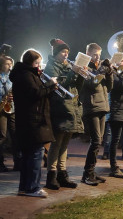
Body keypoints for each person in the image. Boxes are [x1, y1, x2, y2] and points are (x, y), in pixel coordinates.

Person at [10, 49, 57, 198]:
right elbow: (35, 94)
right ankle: (33, 187)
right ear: (32, 62)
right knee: (35, 155)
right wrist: (49, 85)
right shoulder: (26, 75)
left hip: (30, 120)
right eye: (38, 62)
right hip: (33, 121)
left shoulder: (25, 74)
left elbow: (39, 93)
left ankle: (24, 187)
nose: (40, 65)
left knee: (28, 156)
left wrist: (48, 88)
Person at [43, 38, 84, 190]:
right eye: (63, 52)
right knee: (56, 144)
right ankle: (51, 175)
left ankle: (62, 173)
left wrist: (80, 74)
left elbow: (77, 87)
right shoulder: (51, 67)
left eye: (67, 52)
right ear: (56, 54)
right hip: (60, 108)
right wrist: (72, 73)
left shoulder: (69, 66)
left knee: (65, 144)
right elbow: (59, 86)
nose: (66, 55)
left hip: (72, 107)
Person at [79, 43, 112, 186]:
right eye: (95, 54)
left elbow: (109, 87)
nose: (97, 57)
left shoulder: (99, 68)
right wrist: (101, 70)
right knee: (96, 141)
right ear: (88, 53)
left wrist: (109, 72)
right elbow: (92, 83)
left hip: (102, 106)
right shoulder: (84, 66)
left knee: (98, 142)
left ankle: (91, 172)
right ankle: (87, 174)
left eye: (99, 54)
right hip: (91, 107)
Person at [0, 55, 21, 172]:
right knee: (1, 137)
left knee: (15, 136)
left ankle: (18, 162)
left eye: (10, 64)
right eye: (7, 64)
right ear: (1, 65)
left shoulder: (12, 78)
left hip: (11, 108)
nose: (10, 66)